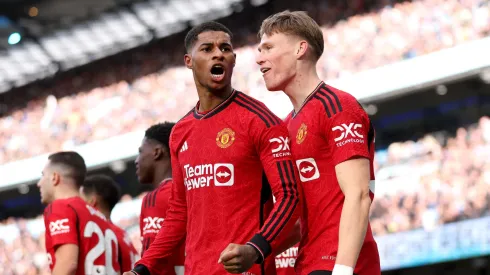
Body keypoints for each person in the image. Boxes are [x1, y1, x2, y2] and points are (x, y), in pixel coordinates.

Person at [123, 21, 300, 275]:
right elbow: (178, 213)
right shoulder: (180, 132)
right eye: (207, 49)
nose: (218, 53)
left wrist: (255, 249)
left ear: (234, 59)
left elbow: (289, 196)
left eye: (225, 49)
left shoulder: (260, 120)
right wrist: (143, 268)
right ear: (188, 60)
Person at [256, 11, 380, 275]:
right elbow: (299, 219)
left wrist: (343, 270)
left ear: (301, 49)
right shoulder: (284, 125)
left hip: (340, 264)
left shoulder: (337, 107)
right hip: (307, 263)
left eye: (268, 47)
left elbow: (358, 195)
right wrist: (253, 250)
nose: (259, 58)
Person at [38, 151, 121, 275]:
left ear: (55, 177)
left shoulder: (61, 207)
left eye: (43, 175)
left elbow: (67, 265)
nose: (39, 183)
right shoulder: (99, 216)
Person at [135, 122, 185, 275]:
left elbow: (152, 264)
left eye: (140, 152)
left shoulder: (156, 197)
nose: (137, 160)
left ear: (157, 152)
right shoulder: (192, 191)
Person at [80, 174, 139, 273]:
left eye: (80, 199)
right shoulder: (120, 233)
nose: (78, 204)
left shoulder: (101, 234)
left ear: (91, 201)